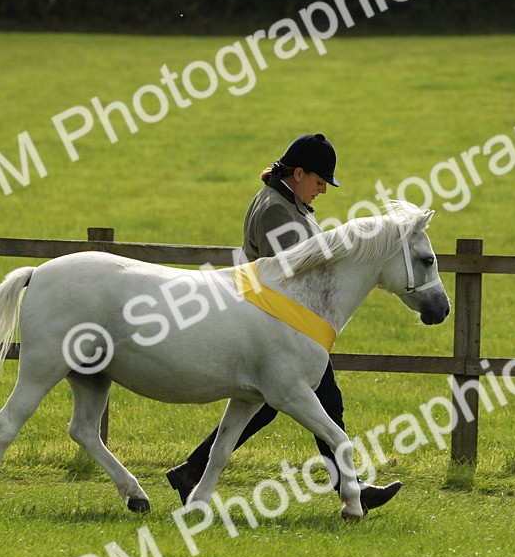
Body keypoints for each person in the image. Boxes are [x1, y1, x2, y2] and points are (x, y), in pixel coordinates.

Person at [165, 133, 403, 510]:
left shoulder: (290, 202)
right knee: (320, 405)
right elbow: (292, 275)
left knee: (278, 407)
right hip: (278, 326)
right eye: (320, 180)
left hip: (287, 325)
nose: (323, 189)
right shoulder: (276, 210)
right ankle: (350, 487)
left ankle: (192, 471)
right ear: (298, 173)